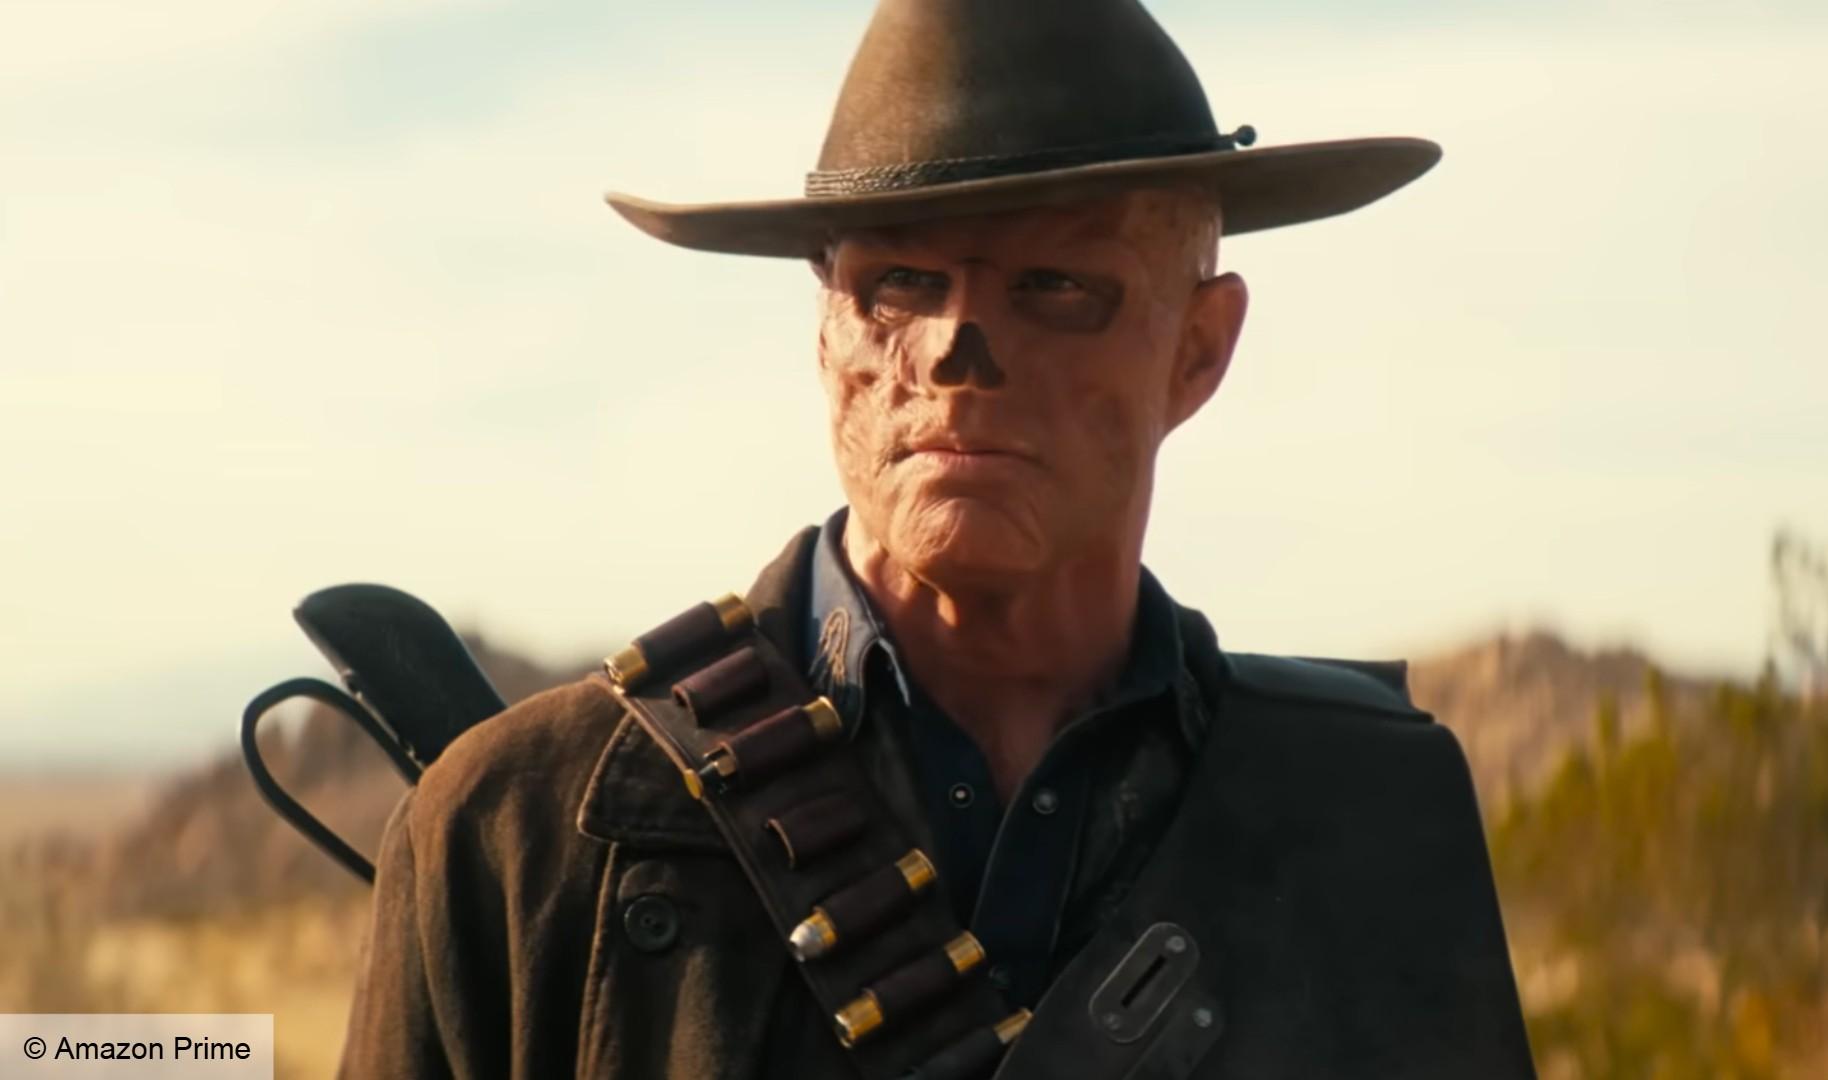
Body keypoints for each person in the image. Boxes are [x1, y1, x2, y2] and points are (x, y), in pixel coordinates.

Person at [337, 1, 1535, 1077]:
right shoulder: (518, 830)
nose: (961, 350)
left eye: (1058, 285)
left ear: (1199, 350)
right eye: (899, 283)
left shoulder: (1368, 813)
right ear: (827, 338)